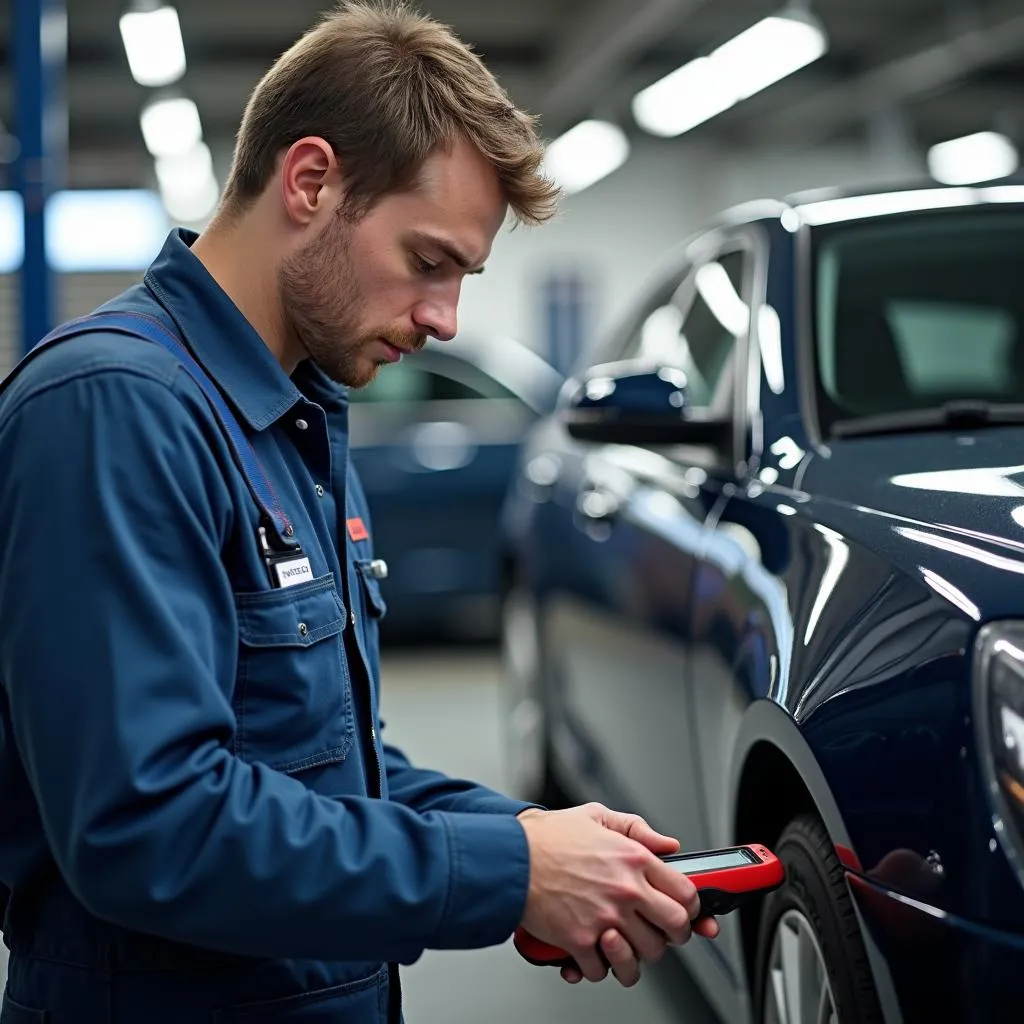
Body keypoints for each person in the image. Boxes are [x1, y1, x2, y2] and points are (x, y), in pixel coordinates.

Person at [0, 3, 717, 1021]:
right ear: (310, 182)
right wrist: (502, 871)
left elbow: (326, 771)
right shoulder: (115, 410)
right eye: (428, 262)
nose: (443, 318)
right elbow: (148, 826)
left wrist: (541, 845)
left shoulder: (293, 419)